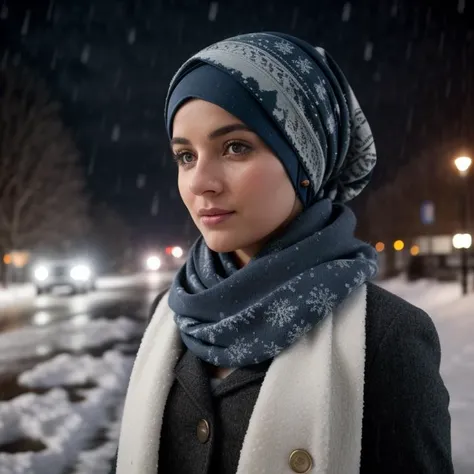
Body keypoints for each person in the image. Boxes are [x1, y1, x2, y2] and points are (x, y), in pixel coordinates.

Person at [113, 32, 453, 473]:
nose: (200, 182)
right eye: (185, 156)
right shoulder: (171, 313)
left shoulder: (388, 338)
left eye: (235, 147)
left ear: (305, 162)